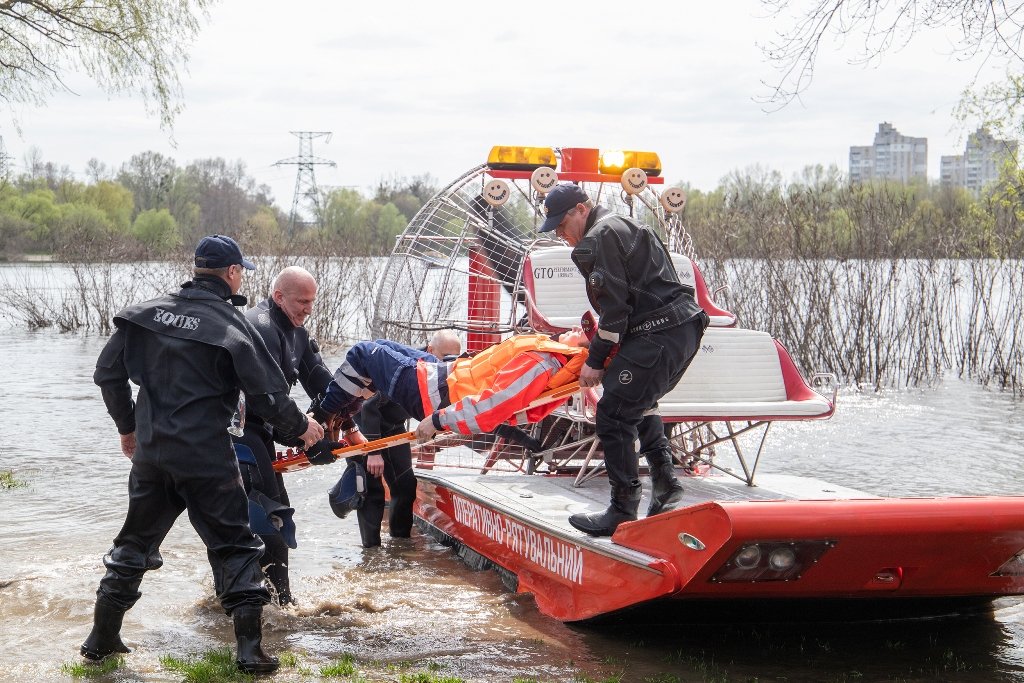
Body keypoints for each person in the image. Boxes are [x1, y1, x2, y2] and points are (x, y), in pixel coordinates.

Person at [85, 235, 325, 674]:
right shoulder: (234, 327)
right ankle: (250, 651)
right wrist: (305, 429)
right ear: (232, 274)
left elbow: (106, 374)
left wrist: (128, 428)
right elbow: (268, 398)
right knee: (237, 545)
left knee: (133, 543)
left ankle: (101, 638)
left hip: (153, 456)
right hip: (208, 460)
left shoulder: (145, 314)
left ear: (197, 269)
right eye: (240, 272)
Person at [538, 183, 710, 536]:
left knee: (613, 415)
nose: (559, 233)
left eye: (561, 223)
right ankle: (665, 484)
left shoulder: (598, 238)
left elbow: (615, 313)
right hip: (684, 328)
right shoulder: (628, 223)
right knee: (637, 403)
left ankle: (622, 509)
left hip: (658, 333)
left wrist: (596, 360)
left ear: (581, 209)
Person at [232, 265, 361, 604]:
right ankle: (275, 606)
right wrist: (305, 434)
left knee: (277, 515)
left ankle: (268, 602)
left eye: (312, 302)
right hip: (237, 434)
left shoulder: (298, 334)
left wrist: (346, 428)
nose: (308, 309)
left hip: (263, 431)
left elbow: (326, 386)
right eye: (302, 301)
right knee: (268, 518)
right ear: (278, 296)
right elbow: (267, 399)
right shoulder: (259, 326)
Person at [310, 330, 590, 447]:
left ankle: (322, 419)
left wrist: (437, 420)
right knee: (380, 347)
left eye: (581, 330)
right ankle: (343, 421)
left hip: (435, 395)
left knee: (362, 353)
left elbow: (491, 406)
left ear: (582, 346)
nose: (573, 328)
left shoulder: (543, 362)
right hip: (447, 377)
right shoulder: (553, 359)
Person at [351, 330, 462, 548]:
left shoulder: (449, 374)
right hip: (367, 425)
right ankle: (370, 553)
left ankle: (399, 546)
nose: (448, 364)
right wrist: (374, 452)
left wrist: (528, 441)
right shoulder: (407, 369)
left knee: (405, 485)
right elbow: (368, 408)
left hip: (393, 426)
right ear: (430, 351)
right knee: (372, 489)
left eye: (454, 359)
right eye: (444, 358)